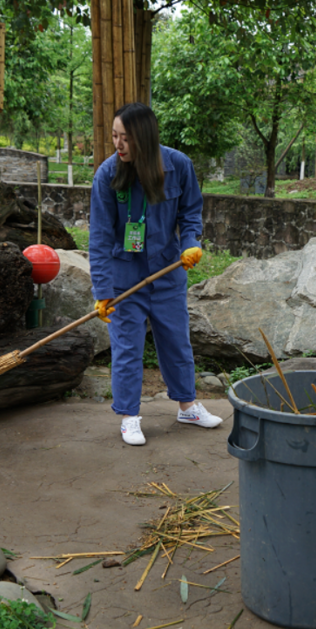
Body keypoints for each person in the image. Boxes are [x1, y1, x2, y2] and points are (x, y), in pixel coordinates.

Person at [89, 103, 223, 446]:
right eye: (115, 136)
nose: (118, 145)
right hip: (125, 280)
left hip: (167, 273)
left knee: (177, 342)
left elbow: (191, 212)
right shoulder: (107, 174)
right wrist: (103, 291)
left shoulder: (178, 166)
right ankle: (130, 417)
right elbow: (101, 237)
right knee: (127, 348)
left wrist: (190, 244)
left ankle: (187, 406)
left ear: (144, 139)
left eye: (125, 138)